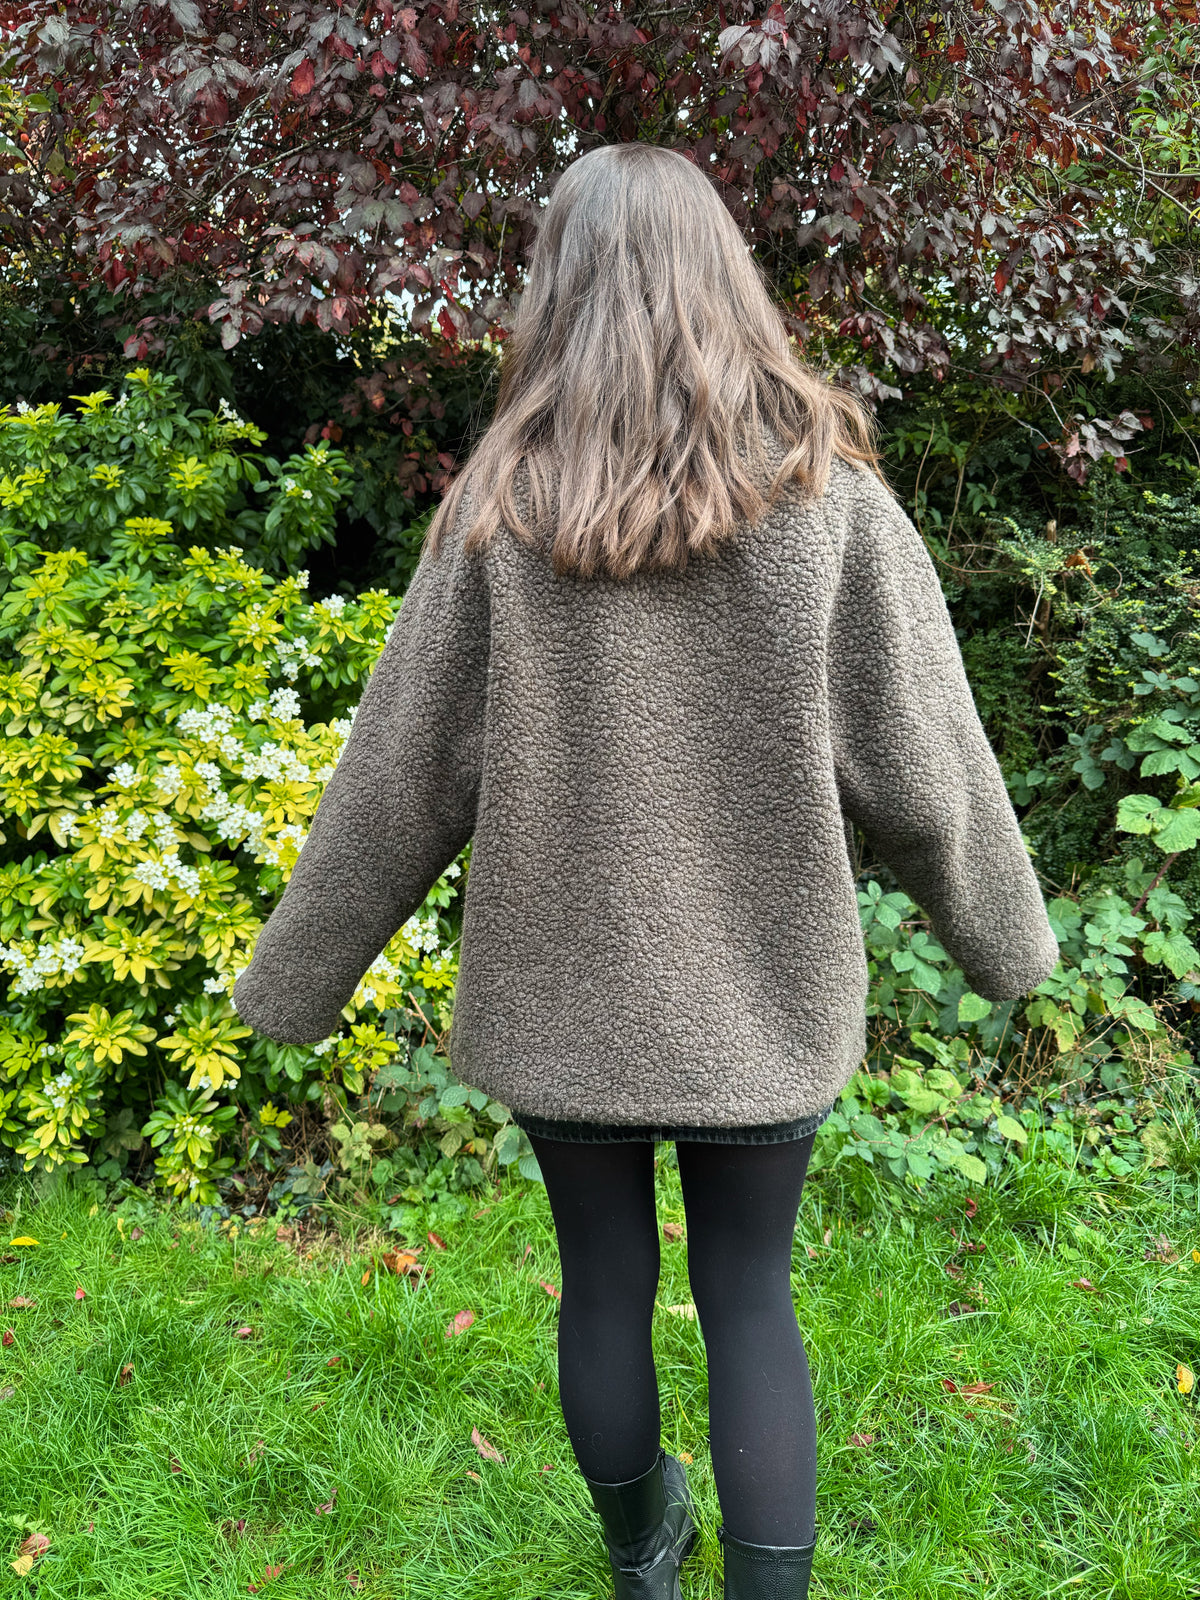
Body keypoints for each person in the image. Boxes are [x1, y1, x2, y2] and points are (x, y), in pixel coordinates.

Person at [232, 142, 1060, 1599]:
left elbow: (397, 780)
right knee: (749, 1294)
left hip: (564, 1001)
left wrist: (294, 984)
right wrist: (1012, 950)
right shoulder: (831, 509)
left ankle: (640, 1553)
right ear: (727, 282)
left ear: (556, 291)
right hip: (763, 999)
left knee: (604, 1283)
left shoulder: (501, 516)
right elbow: (934, 767)